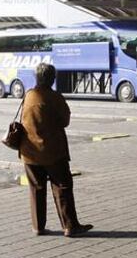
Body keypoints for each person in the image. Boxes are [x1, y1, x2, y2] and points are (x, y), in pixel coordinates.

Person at [19, 63, 93, 237]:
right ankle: (70, 226)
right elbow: (64, 121)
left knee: (36, 188)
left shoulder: (29, 95)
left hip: (29, 151)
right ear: (52, 79)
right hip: (52, 151)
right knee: (62, 187)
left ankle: (38, 227)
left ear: (36, 77)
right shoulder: (54, 97)